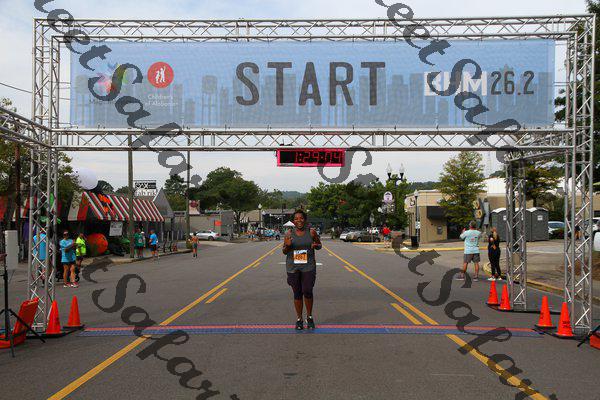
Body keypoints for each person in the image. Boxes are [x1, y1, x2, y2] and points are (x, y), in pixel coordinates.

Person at [282, 209, 322, 330]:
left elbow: (319, 245)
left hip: (308, 266)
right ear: (293, 221)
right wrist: (287, 245)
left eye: (301, 218)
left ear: (305, 220)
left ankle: (309, 317)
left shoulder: (311, 232)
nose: (299, 220)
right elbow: (284, 251)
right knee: (297, 293)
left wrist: (316, 245)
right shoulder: (289, 233)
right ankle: (299, 319)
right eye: (296, 219)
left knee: (308, 291)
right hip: (293, 267)